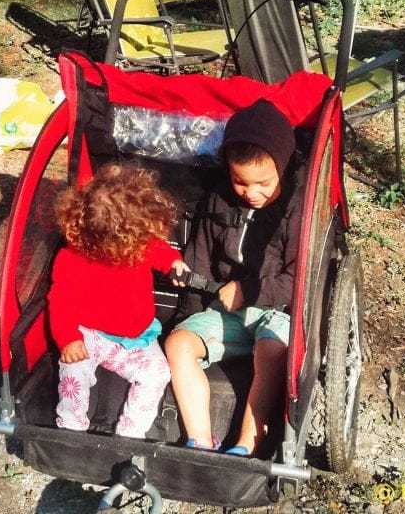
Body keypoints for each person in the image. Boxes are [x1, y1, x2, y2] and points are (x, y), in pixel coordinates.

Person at [164, 99, 300, 458]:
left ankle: (248, 441)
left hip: (276, 311)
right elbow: (203, 252)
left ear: (282, 169)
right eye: (241, 182)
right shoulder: (220, 199)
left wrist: (248, 290)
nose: (251, 193)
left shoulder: (296, 209)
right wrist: (189, 281)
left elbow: (298, 277)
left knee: (272, 351)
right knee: (177, 344)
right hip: (227, 311)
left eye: (263, 183)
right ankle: (200, 439)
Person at [47, 162, 189, 438]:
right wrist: (68, 338)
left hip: (136, 338)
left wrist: (174, 262)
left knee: (157, 374)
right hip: (90, 334)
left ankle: (131, 432)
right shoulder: (72, 257)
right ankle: (71, 424)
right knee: (73, 371)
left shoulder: (138, 242)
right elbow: (60, 300)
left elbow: (158, 250)